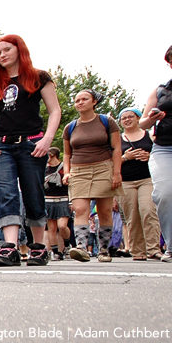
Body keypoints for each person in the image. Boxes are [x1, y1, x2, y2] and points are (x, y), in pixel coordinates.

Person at [0, 34, 61, 267]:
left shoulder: (39, 78)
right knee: (7, 193)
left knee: (33, 193)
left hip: (32, 143)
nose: (2, 55)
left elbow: (55, 111)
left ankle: (38, 247)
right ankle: (10, 247)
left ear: (19, 50)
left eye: (7, 49)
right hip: (3, 145)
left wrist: (47, 140)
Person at [62, 89, 124, 263]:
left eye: (84, 99)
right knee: (80, 209)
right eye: (77, 100)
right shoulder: (70, 127)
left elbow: (117, 148)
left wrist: (116, 172)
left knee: (104, 211)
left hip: (103, 167)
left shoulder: (107, 122)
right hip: (79, 170)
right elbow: (67, 154)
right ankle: (81, 248)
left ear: (94, 101)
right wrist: (67, 172)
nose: (80, 103)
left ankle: (104, 249)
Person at [139, 45, 172, 263]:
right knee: (165, 194)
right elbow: (142, 123)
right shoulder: (161, 90)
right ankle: (171, 245)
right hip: (164, 147)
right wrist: (152, 117)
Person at [117, 108, 161, 260]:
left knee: (148, 211)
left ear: (138, 119)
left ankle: (153, 249)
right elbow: (111, 162)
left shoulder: (149, 136)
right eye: (124, 118)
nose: (127, 120)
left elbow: (161, 154)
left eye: (130, 117)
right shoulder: (117, 139)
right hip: (125, 182)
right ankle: (137, 251)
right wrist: (125, 157)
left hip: (147, 179)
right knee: (132, 216)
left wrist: (150, 156)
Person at [44, 147, 71, 260]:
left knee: (62, 226)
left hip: (63, 199)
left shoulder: (64, 167)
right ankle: (56, 252)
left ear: (52, 155)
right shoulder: (44, 169)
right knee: (51, 228)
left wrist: (71, 200)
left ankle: (67, 244)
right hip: (48, 200)